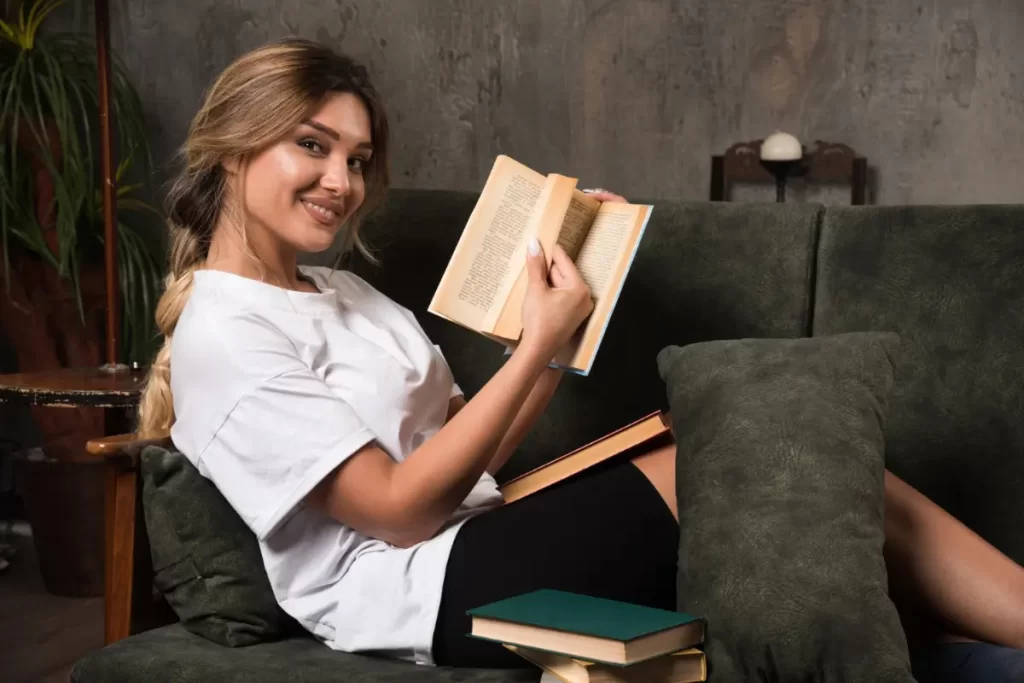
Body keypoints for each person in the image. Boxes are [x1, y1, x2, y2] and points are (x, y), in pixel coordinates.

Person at [136, 37, 1024, 677]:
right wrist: (537, 343)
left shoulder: (343, 292)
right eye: (314, 146)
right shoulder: (223, 329)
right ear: (233, 144)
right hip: (415, 587)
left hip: (477, 534)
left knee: (809, 461)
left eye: (358, 158)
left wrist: (556, 337)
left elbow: (471, 450)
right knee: (753, 457)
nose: (343, 181)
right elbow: (399, 511)